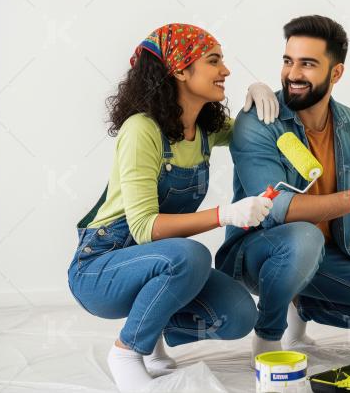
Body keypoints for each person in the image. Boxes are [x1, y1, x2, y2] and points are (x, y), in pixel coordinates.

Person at [67, 23, 278, 391]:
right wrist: (225, 215)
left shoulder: (206, 129)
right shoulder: (141, 130)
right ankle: (127, 351)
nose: (225, 71)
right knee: (190, 256)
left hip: (155, 264)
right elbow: (145, 230)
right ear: (179, 69)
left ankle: (150, 337)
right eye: (214, 61)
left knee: (239, 314)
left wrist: (259, 91)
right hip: (100, 269)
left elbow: (253, 131)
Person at [216, 15, 350, 359]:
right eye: (288, 61)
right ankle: (269, 336)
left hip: (324, 256)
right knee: (304, 236)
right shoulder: (259, 120)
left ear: (336, 73)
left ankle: (303, 305)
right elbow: (277, 208)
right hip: (256, 254)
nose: (293, 73)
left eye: (308, 64)